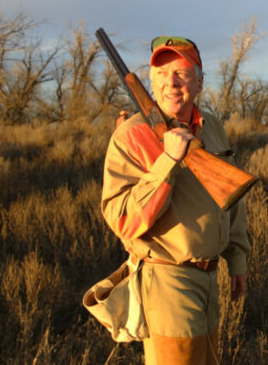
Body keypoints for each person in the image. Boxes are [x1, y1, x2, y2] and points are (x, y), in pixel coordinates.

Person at [101, 36, 249, 365]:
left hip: (209, 279)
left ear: (199, 82)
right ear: (150, 82)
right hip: (168, 282)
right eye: (161, 73)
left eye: (181, 72)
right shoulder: (131, 135)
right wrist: (168, 161)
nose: (171, 82)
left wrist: (237, 257)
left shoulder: (211, 127)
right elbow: (123, 221)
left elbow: (231, 197)